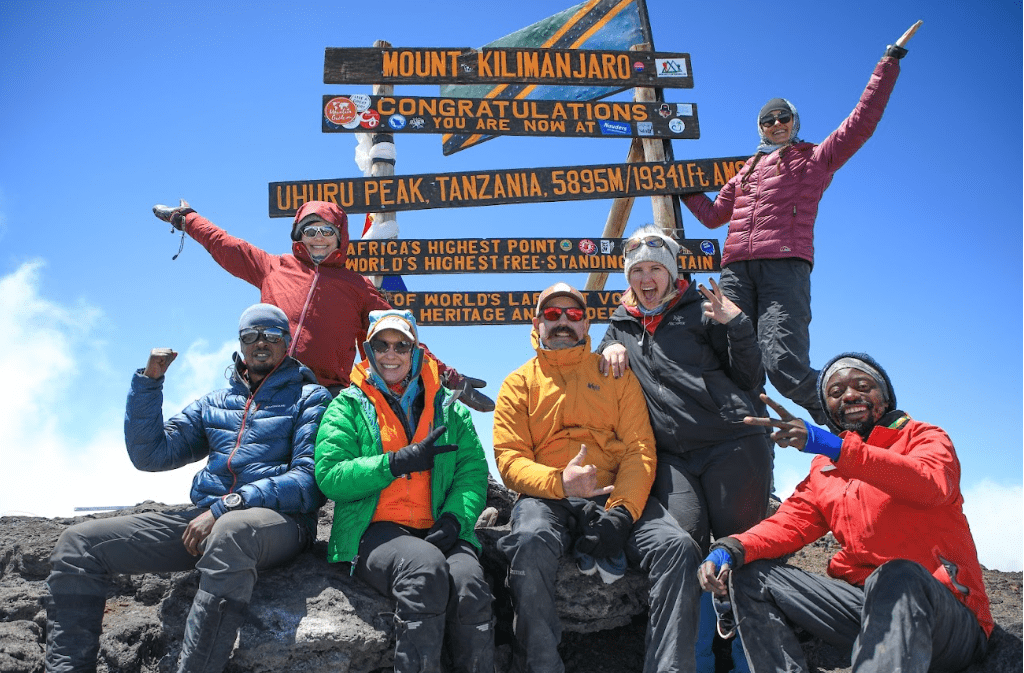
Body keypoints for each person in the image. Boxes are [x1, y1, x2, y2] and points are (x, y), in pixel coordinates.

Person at [45, 303, 331, 673]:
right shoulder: (214, 403)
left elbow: (308, 481)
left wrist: (229, 504)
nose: (261, 343)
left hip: (280, 523)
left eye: (272, 336)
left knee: (232, 532)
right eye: (251, 335)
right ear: (240, 343)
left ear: (287, 343)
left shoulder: (310, 398)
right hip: (208, 520)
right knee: (78, 545)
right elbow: (151, 454)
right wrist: (149, 383)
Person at [699, 352, 992, 673]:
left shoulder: (923, 437)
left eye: (863, 385)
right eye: (836, 393)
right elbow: (789, 524)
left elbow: (931, 484)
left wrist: (839, 449)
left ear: (886, 394)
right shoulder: (826, 467)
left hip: (949, 619)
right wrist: (731, 548)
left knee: (898, 574)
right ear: (829, 410)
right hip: (868, 612)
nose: (850, 395)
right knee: (751, 576)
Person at [680, 34, 912, 424]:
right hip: (736, 268)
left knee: (782, 363)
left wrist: (888, 62)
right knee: (717, 342)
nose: (776, 125)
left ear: (794, 122)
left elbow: (861, 123)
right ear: (761, 128)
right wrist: (679, 185)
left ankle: (857, 423)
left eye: (783, 118)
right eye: (768, 121)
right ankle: (728, 426)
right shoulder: (746, 172)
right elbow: (714, 215)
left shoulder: (814, 160)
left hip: (784, 268)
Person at [493, 282, 702, 673]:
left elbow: (640, 448)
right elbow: (509, 459)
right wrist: (561, 482)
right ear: (536, 322)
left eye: (573, 315)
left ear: (587, 323)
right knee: (528, 540)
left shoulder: (614, 375)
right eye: (552, 315)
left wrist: (622, 513)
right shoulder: (517, 384)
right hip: (546, 495)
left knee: (678, 547)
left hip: (612, 492)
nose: (562, 322)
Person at [598, 224, 771, 672]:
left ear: (672, 271)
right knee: (684, 548)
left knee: (744, 549)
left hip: (732, 443)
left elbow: (752, 380)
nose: (646, 277)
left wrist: (737, 326)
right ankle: (690, 661)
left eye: (656, 267)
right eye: (638, 270)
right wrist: (609, 350)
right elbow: (595, 377)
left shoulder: (702, 310)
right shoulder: (619, 325)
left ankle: (748, 658)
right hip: (672, 458)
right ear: (628, 277)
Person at [152, 199, 493, 409]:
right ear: (298, 236)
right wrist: (187, 219)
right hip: (264, 385)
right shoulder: (274, 267)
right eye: (310, 230)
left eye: (326, 231)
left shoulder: (357, 287)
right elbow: (226, 245)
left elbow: (398, 336)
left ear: (340, 238)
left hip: (324, 394)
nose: (318, 238)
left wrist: (449, 376)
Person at [314, 309, 494, 673]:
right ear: (368, 350)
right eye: (381, 344)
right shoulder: (346, 405)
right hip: (375, 530)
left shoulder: (448, 408)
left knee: (470, 584)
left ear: (416, 351)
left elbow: (472, 471)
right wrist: (393, 463)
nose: (390, 353)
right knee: (423, 568)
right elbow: (330, 475)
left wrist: (456, 519)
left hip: (441, 525)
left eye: (401, 345)